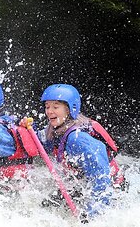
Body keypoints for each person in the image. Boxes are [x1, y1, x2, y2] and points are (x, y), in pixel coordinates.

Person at [36, 84, 125, 217]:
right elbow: (38, 141)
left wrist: (92, 213)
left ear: (69, 109)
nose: (49, 111)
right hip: (80, 183)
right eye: (47, 106)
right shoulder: (56, 128)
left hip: (109, 189)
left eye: (55, 107)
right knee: (46, 209)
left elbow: (101, 177)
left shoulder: (77, 139)